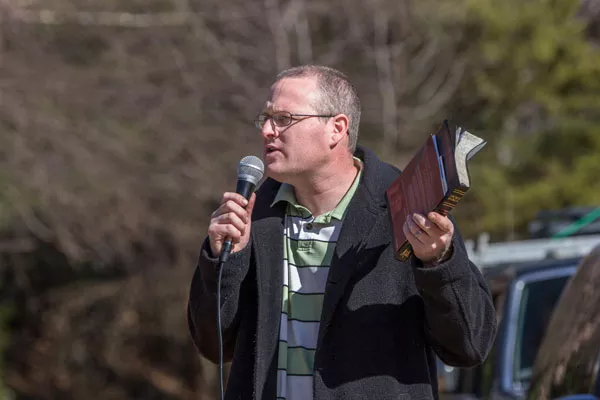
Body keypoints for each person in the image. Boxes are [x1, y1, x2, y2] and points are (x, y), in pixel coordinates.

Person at [187, 65, 497, 400]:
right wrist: (224, 261)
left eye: (284, 119)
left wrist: (438, 263)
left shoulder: (407, 208)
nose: (266, 130)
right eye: (264, 118)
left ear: (337, 128)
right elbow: (213, 346)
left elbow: (470, 346)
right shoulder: (253, 215)